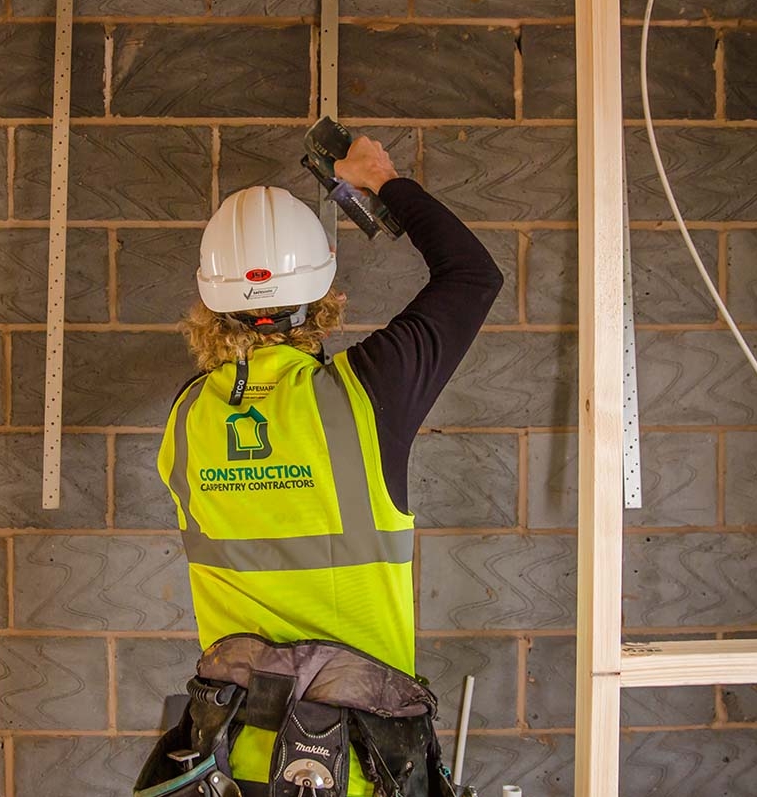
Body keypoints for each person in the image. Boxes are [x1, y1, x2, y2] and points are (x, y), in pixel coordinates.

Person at [135, 136, 504, 797]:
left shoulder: (187, 419)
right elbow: (473, 277)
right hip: (362, 767)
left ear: (208, 300)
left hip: (227, 764)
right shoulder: (368, 393)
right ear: (324, 288)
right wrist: (381, 180)